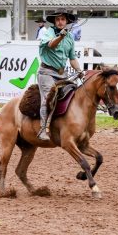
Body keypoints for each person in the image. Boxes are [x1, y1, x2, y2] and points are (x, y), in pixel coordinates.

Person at [37, 8, 84, 141]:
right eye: (57, 19)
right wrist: (61, 36)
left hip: (62, 74)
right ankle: (42, 129)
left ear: (67, 21)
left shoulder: (69, 37)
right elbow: (51, 44)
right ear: (54, 21)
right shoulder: (48, 32)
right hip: (46, 72)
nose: (60, 21)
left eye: (62, 19)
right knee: (49, 97)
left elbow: (72, 58)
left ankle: (70, 124)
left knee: (74, 94)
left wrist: (79, 70)